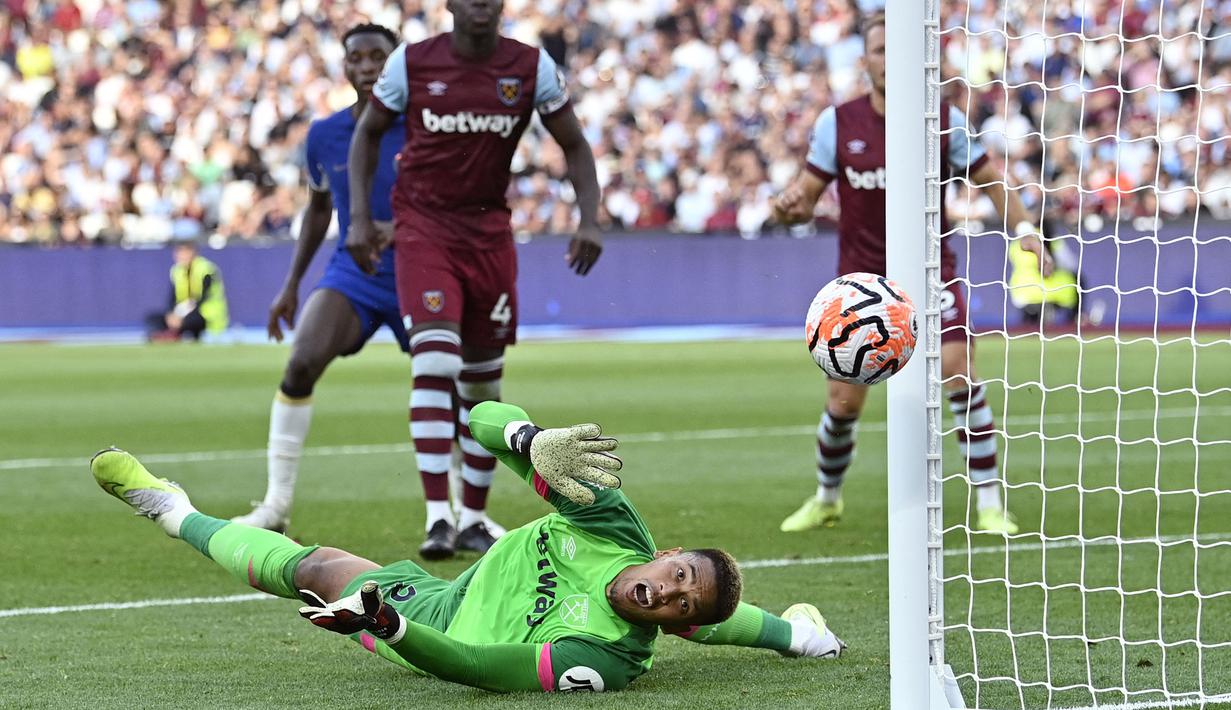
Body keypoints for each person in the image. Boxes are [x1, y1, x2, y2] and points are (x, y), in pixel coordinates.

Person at [89, 400, 846, 693]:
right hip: (450, 592)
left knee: (315, 570)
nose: (670, 591)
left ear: (679, 627)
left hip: (434, 628)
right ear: (663, 551)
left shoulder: (607, 658)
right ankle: (802, 637)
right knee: (315, 564)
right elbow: (478, 418)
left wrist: (391, 628)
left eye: (682, 604)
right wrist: (526, 439)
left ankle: (171, 513)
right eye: (676, 574)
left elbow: (484, 668)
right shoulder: (611, 524)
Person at [772, 12, 1055, 535]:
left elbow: (992, 180)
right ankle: (827, 498)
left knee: (959, 375)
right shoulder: (839, 122)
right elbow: (802, 201)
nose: (888, 59)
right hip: (859, 286)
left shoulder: (942, 119)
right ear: (865, 60)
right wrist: (787, 207)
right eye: (879, 49)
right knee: (843, 400)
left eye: (895, 49)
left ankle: (990, 504)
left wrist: (1025, 230)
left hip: (930, 275)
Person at [347, 0, 605, 560]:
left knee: (484, 386)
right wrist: (362, 220)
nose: (481, 4)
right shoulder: (411, 64)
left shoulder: (530, 68)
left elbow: (576, 144)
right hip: (424, 228)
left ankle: (473, 516)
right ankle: (437, 515)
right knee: (437, 360)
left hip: (489, 234)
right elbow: (367, 134)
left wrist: (589, 218)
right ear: (450, 5)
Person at [232, 24, 503, 539]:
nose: (365, 66)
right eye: (355, 57)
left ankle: (467, 514)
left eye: (378, 56)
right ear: (344, 66)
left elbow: (459, 203)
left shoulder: (430, 128)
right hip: (355, 273)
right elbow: (317, 211)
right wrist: (291, 285)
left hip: (426, 267)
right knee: (300, 363)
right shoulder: (325, 134)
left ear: (397, 64)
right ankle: (276, 505)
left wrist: (397, 229)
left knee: (455, 385)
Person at [144, 240, 229, 341]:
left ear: (193, 253)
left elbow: (203, 298)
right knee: (153, 318)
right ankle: (168, 333)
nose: (180, 256)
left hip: (205, 314)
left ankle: (173, 334)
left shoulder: (206, 269)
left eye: (184, 252)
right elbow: (172, 297)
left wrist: (183, 315)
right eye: (178, 252)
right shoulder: (177, 270)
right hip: (182, 312)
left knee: (191, 320)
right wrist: (172, 314)